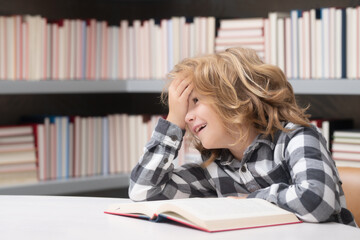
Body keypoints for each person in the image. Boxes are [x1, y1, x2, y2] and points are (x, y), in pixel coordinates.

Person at [128, 47, 356, 227]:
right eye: (184, 110)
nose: (187, 117)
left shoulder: (296, 137)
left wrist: (251, 202)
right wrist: (172, 122)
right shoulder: (213, 169)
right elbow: (143, 191)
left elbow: (317, 200)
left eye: (195, 101)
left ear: (233, 97)